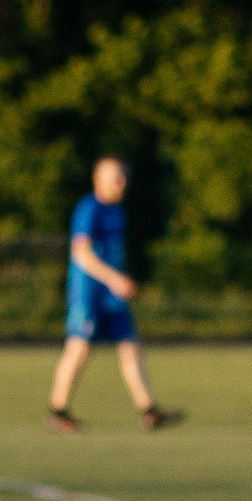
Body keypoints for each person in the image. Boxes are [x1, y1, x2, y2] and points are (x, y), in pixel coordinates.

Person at [48, 156, 181, 432]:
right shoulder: (89, 208)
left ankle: (149, 410)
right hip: (88, 294)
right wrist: (114, 278)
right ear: (97, 180)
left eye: (123, 177)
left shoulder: (117, 210)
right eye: (115, 177)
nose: (122, 182)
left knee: (130, 348)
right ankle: (58, 411)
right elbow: (80, 253)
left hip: (112, 295)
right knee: (79, 349)